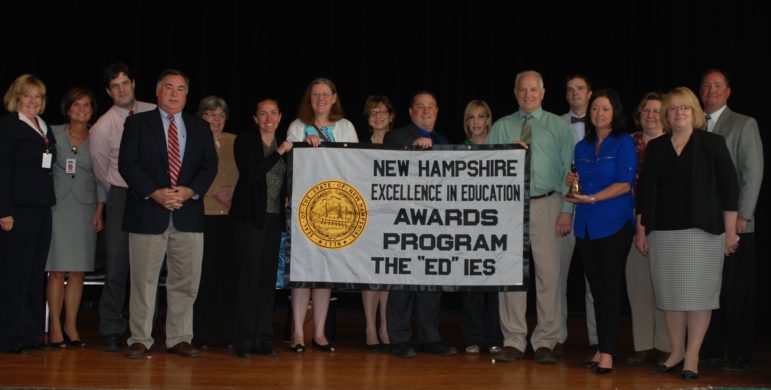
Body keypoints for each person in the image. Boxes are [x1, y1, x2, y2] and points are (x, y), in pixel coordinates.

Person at [636, 87, 738, 381]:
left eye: (685, 108)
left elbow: (730, 190)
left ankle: (693, 354)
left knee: (698, 297)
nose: (679, 113)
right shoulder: (656, 147)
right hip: (663, 233)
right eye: (673, 108)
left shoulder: (712, 143)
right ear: (666, 115)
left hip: (703, 233)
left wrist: (730, 233)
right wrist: (641, 230)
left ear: (694, 113)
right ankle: (676, 351)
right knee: (670, 296)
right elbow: (645, 195)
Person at [118, 69, 217, 359]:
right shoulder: (137, 123)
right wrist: (155, 192)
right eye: (169, 88)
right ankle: (140, 338)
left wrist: (190, 191)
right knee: (143, 281)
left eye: (181, 89)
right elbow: (128, 164)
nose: (175, 93)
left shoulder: (199, 126)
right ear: (158, 92)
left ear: (187, 95)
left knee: (186, 281)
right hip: (148, 211)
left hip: (188, 213)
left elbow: (208, 166)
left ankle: (179, 338)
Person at [486, 70, 574, 364]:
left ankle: (546, 340)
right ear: (515, 93)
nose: (528, 95)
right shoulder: (500, 127)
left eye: (533, 90)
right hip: (510, 208)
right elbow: (486, 170)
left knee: (548, 275)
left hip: (547, 204)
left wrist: (566, 210)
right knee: (512, 276)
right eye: (522, 90)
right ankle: (513, 339)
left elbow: (568, 170)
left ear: (543, 93)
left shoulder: (558, 127)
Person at [564, 88, 637, 375]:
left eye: (604, 109)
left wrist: (593, 198)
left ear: (614, 112)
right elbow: (578, 183)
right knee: (596, 289)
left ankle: (608, 352)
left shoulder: (624, 142)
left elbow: (625, 184)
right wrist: (573, 183)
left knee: (609, 289)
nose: (598, 114)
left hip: (614, 224)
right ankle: (601, 348)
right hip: (585, 226)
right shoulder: (582, 146)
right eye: (595, 109)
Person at [286, 78, 358, 352]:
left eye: (325, 94)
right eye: (315, 94)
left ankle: (319, 333)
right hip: (303, 208)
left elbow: (353, 164)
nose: (320, 99)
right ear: (309, 98)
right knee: (303, 269)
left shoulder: (346, 127)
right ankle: (297, 333)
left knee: (325, 271)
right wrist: (304, 145)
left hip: (335, 209)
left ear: (334, 97)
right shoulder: (296, 126)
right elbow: (287, 162)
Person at [699, 69, 764, 372]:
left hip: (736, 224)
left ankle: (740, 354)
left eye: (718, 85)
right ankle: (710, 350)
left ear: (728, 91)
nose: (712, 90)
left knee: (737, 292)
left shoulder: (744, 124)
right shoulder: (695, 123)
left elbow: (752, 173)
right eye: (707, 85)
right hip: (703, 225)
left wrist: (744, 216)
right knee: (708, 290)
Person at [89, 63, 156, 352]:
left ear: (133, 83)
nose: (121, 89)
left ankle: (146, 327)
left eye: (125, 83)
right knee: (117, 263)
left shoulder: (154, 112)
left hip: (153, 196)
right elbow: (101, 170)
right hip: (121, 195)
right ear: (108, 91)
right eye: (115, 86)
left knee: (150, 265)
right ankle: (111, 326)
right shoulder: (103, 125)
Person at [384, 91, 456, 358]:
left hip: (435, 222)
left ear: (437, 111)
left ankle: (429, 337)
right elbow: (385, 167)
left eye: (431, 107)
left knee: (431, 281)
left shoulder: (445, 141)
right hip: (404, 221)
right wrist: (410, 150)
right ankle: (399, 338)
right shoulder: (397, 136)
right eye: (420, 107)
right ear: (411, 111)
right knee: (402, 281)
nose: (426, 111)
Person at [230, 99, 293, 358]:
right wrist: (278, 152)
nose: (269, 118)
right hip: (249, 220)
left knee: (267, 282)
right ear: (255, 118)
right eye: (263, 113)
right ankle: (243, 341)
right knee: (248, 280)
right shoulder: (245, 142)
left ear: (280, 117)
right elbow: (251, 174)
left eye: (274, 113)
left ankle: (264, 339)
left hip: (273, 220)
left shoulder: (287, 147)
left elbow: (288, 178)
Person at [45, 87, 106, 348]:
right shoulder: (52, 133)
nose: (81, 110)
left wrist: (99, 209)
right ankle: (55, 326)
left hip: (85, 208)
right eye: (76, 105)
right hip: (57, 207)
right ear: (67, 108)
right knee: (57, 270)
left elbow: (103, 177)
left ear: (92, 111)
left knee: (79, 271)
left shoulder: (98, 138)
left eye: (87, 105)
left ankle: (71, 324)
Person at [0, 74, 56, 354]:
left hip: (42, 208)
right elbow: (3, 170)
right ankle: (9, 337)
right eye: (28, 96)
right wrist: (5, 211)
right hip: (17, 212)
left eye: (38, 96)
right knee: (15, 275)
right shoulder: (9, 125)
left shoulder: (43, 126)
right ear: (16, 98)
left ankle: (31, 335)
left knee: (36, 274)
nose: (34, 101)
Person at [624, 92, 670, 366]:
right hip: (632, 218)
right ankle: (642, 344)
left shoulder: (673, 142)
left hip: (667, 220)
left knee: (664, 284)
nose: (651, 115)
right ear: (639, 114)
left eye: (656, 110)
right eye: (646, 110)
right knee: (637, 282)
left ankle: (665, 344)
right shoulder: (628, 143)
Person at [191, 96, 238, 349]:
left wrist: (233, 191)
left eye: (221, 114)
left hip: (230, 218)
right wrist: (217, 191)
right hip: (203, 215)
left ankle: (225, 333)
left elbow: (248, 172)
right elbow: (188, 174)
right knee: (202, 278)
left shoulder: (235, 141)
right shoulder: (193, 139)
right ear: (201, 117)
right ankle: (198, 334)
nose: (216, 119)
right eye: (211, 114)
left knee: (227, 278)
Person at [459, 99, 503, 355]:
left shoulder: (502, 149)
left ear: (488, 120)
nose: (476, 122)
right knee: (471, 284)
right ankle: (473, 337)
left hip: (496, 224)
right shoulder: (458, 150)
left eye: (480, 116)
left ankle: (495, 336)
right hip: (467, 224)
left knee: (496, 285)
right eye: (471, 117)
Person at [558, 74, 597, 355]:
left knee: (595, 279)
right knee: (556, 277)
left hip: (595, 209)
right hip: (562, 207)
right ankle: (556, 337)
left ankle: (598, 339)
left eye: (580, 89)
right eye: (570, 90)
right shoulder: (554, 124)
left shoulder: (605, 125)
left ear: (590, 93)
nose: (575, 93)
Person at [360, 95, 395, 351]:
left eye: (383, 111)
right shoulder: (359, 145)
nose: (378, 116)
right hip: (368, 216)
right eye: (373, 112)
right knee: (370, 272)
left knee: (389, 273)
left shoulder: (400, 142)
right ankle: (370, 326)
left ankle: (386, 325)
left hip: (394, 216)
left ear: (391, 116)